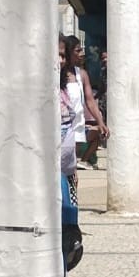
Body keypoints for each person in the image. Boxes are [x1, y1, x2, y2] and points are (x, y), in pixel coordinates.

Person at [69, 37, 107, 170]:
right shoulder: (57, 74)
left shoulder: (82, 75)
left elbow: (90, 100)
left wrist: (100, 122)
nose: (81, 54)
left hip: (78, 126)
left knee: (71, 171)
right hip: (62, 128)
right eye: (78, 50)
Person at [58, 38, 83, 201]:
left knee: (70, 193)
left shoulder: (63, 87)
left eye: (62, 56)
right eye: (57, 56)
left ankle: (71, 222)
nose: (60, 61)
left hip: (68, 161)